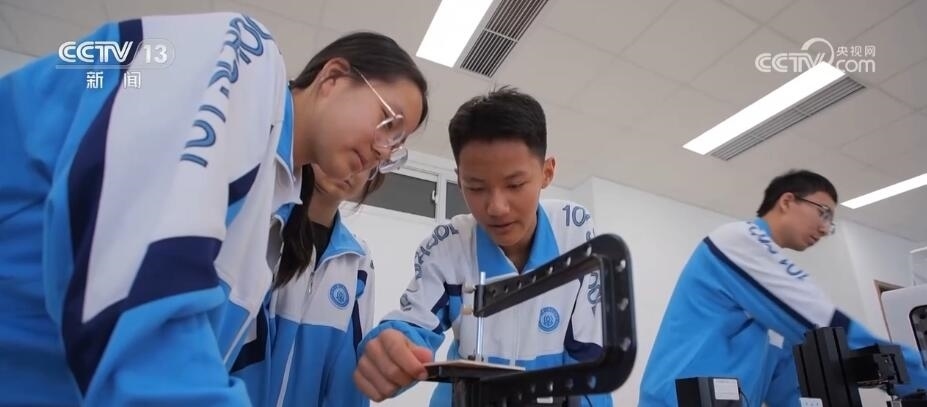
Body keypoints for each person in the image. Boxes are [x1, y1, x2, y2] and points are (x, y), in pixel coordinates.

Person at [0, 11, 428, 406]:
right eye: (387, 121)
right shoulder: (247, 59)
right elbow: (141, 304)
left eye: (395, 146)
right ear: (333, 77)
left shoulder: (275, 205)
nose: (382, 151)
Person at [353, 88, 612, 407]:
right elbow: (413, 325)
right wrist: (391, 347)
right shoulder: (448, 245)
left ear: (546, 173)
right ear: (459, 179)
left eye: (515, 185)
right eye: (476, 187)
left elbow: (589, 358)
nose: (496, 207)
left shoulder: (575, 232)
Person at [639, 170, 927, 406]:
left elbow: (785, 382)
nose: (825, 229)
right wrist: (918, 374)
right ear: (788, 201)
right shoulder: (739, 240)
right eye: (823, 213)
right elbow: (825, 324)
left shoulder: (770, 303)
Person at [233, 164, 385, 407]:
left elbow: (347, 379)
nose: (354, 165)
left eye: (372, 158)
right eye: (349, 146)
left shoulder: (358, 260)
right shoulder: (261, 227)